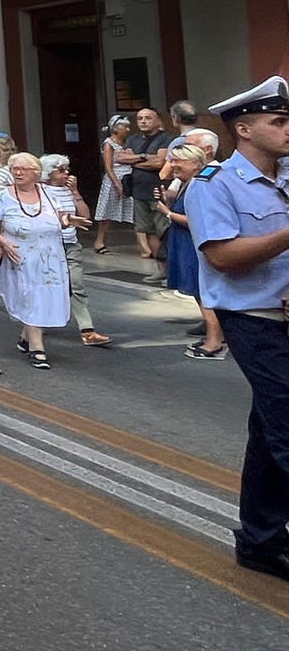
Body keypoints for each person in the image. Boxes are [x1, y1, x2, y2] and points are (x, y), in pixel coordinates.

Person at [184, 76, 289, 583]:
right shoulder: (213, 185)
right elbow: (223, 257)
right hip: (254, 320)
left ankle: (262, 541)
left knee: (271, 431)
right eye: (279, 121)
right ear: (243, 130)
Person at [0, 153, 71, 370]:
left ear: (36, 173)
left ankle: (26, 336)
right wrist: (1, 242)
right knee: (31, 298)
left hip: (51, 258)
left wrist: (69, 221)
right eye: (15, 169)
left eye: (23, 169)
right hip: (20, 257)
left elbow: (60, 218)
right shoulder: (2, 197)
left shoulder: (49, 193)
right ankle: (37, 348)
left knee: (45, 299)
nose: (18, 172)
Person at [159, 140, 228, 360]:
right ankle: (216, 336)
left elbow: (197, 220)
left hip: (195, 246)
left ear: (195, 163)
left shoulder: (200, 184)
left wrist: (167, 213)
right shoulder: (188, 183)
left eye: (177, 160)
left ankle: (214, 342)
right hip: (187, 244)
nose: (172, 164)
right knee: (201, 295)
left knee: (203, 294)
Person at [39, 154, 110, 347]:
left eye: (67, 169)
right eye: (60, 170)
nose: (66, 173)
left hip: (70, 244)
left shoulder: (69, 190)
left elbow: (86, 218)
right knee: (47, 287)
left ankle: (87, 330)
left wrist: (76, 193)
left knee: (77, 286)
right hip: (49, 246)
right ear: (48, 173)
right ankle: (34, 326)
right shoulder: (40, 191)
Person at [120, 108, 173, 270]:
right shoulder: (132, 139)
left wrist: (134, 159)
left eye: (148, 118)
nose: (143, 121)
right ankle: (160, 269)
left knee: (163, 230)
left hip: (158, 190)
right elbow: (121, 158)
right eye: (140, 118)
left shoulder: (166, 139)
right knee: (147, 229)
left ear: (158, 121)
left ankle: (171, 270)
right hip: (138, 190)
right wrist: (145, 156)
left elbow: (159, 163)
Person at [93, 115, 135, 252]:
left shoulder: (127, 143)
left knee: (134, 211)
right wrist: (117, 184)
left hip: (128, 177)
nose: (127, 130)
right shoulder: (108, 143)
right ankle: (99, 242)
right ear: (116, 128)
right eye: (124, 127)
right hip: (114, 179)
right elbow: (108, 166)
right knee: (107, 212)